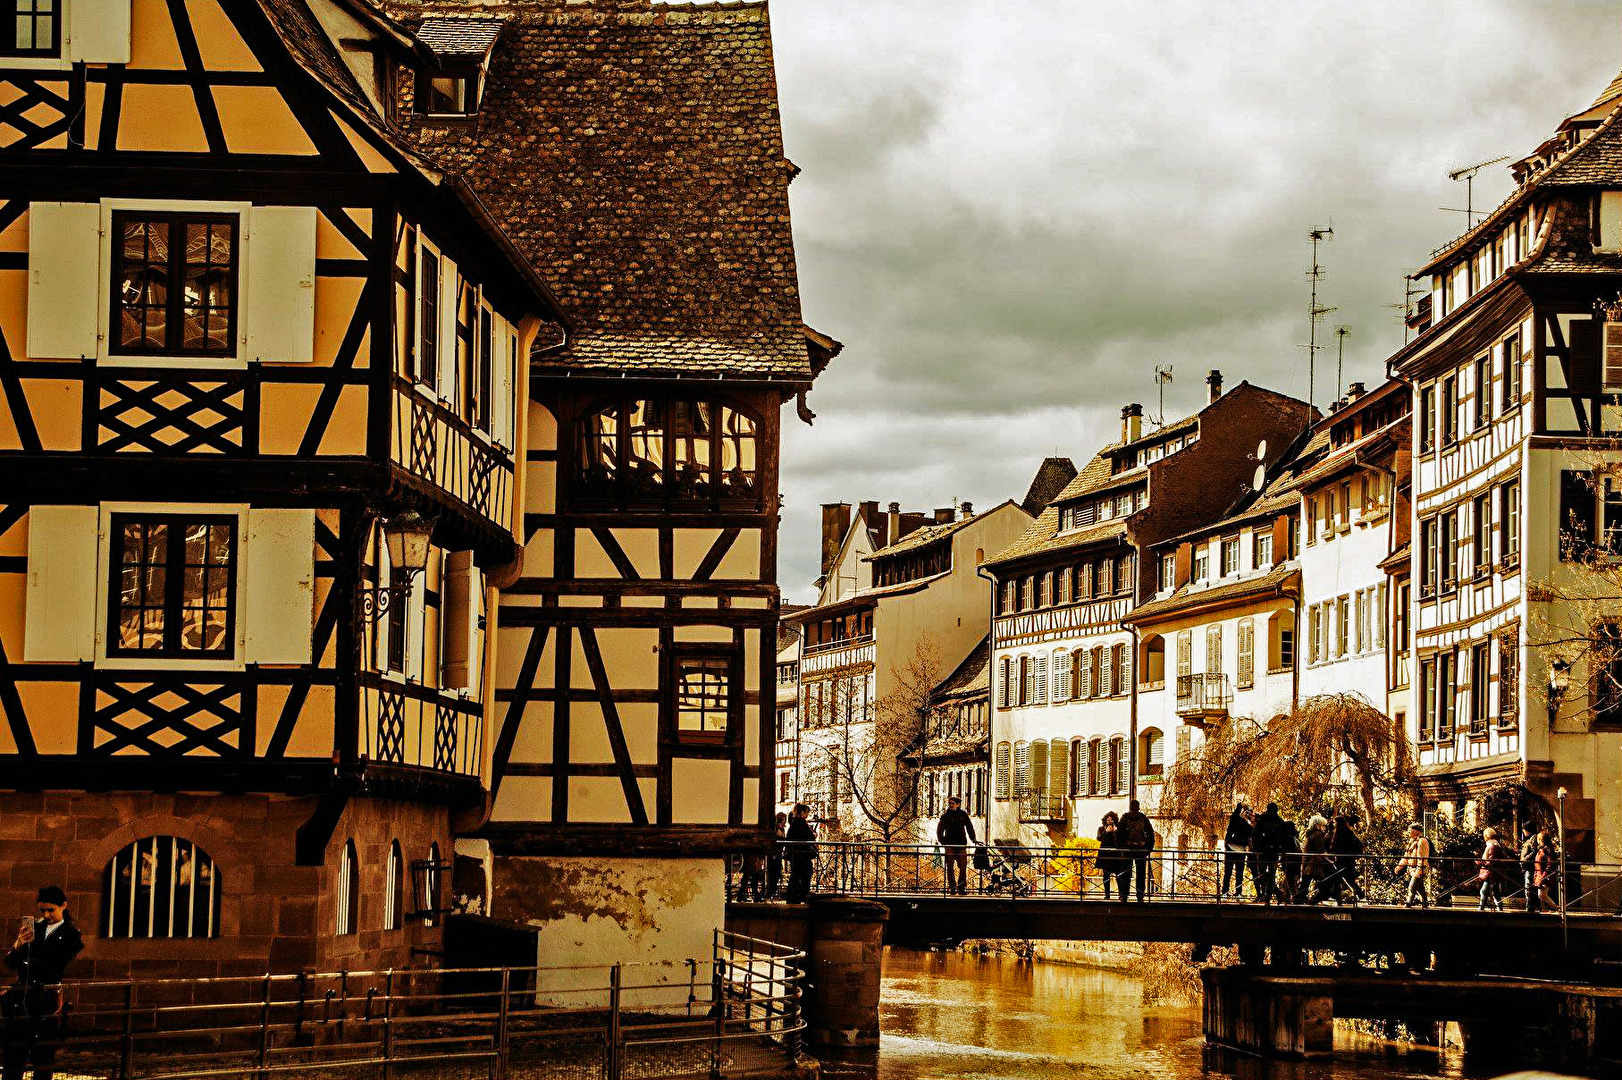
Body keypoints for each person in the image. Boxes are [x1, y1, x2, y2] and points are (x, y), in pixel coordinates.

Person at [3, 886, 83, 1080]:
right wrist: (19, 944)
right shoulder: (34, 929)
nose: (46, 915)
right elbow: (10, 963)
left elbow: (56, 963)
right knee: (14, 1053)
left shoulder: (71, 933)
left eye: (51, 910)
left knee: (43, 1055)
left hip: (46, 998)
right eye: (42, 910)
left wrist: (31, 957)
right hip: (22, 997)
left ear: (63, 906)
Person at [937, 796, 978, 895]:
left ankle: (961, 887)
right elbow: (940, 830)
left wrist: (973, 838)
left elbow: (969, 827)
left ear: (958, 804)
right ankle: (952, 887)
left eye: (953, 803)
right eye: (950, 803)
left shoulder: (963, 815)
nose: (951, 805)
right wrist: (942, 841)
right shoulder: (945, 816)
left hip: (961, 844)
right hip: (949, 844)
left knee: (963, 866)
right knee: (950, 867)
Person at [1117, 799, 1154, 902]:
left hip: (1127, 850)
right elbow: (1151, 834)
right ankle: (1140, 895)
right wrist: (1148, 848)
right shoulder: (1143, 818)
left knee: (1125, 873)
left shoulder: (1124, 818)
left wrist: (1122, 846)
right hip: (1141, 850)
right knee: (1141, 874)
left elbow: (1119, 835)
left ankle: (1124, 895)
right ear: (1138, 807)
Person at [1250, 803, 1285, 904]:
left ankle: (1271, 895)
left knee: (1261, 874)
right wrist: (1280, 848)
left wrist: (1257, 848)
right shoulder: (1279, 820)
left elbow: (1255, 835)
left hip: (1263, 852)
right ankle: (1271, 896)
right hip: (1274, 853)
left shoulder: (1262, 820)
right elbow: (1284, 836)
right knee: (1271, 875)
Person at [1327, 815, 1365, 904]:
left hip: (1342, 859)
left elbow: (1336, 846)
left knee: (1339, 877)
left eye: (1335, 822)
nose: (1334, 824)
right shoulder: (1348, 832)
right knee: (1347, 878)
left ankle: (1338, 897)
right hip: (1348, 859)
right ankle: (1359, 893)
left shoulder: (1341, 833)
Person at [784, 803, 818, 903]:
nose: (807, 815)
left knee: (795, 875)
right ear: (802, 813)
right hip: (802, 853)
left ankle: (793, 897)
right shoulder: (800, 823)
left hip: (796, 853)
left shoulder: (793, 823)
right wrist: (813, 835)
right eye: (807, 813)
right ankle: (802, 895)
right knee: (804, 874)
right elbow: (808, 836)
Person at [1397, 822, 1432, 908]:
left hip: (1419, 869)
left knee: (1412, 887)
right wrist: (1400, 865)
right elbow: (1406, 856)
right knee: (1420, 888)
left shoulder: (1422, 841)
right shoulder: (1412, 841)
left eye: (1410, 831)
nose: (1409, 833)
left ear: (1417, 831)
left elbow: (1423, 857)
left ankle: (1408, 903)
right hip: (1412, 868)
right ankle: (1425, 903)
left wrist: (1419, 871)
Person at [1298, 815, 1331, 904]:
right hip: (1314, 862)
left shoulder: (1310, 834)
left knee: (1306, 882)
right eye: (1323, 825)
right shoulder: (1318, 834)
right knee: (1323, 884)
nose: (1325, 828)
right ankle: (1309, 899)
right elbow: (1319, 849)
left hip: (1309, 861)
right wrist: (1327, 856)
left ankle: (1300, 898)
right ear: (1318, 825)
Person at [1221, 802, 1252, 897]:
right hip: (1231, 848)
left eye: (1249, 813)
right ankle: (1225, 892)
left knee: (1239, 873)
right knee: (1228, 872)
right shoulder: (1235, 819)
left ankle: (1238, 892)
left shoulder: (1248, 825)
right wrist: (1241, 805)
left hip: (1241, 851)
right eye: (1246, 812)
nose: (1247, 815)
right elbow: (1235, 813)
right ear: (1242, 812)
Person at [1096, 812, 1127, 900]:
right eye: (1108, 820)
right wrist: (1106, 832)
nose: (1110, 821)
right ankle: (1107, 894)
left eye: (1111, 820)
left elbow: (1121, 840)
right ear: (1105, 820)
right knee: (1106, 875)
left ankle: (1121, 894)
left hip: (1115, 854)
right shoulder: (1101, 829)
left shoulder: (1118, 829)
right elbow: (1099, 838)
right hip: (1105, 854)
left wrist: (1115, 832)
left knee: (1119, 874)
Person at [1477, 826, 1506, 911]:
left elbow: (1490, 861)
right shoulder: (1496, 844)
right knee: (1495, 891)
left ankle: (1481, 908)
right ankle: (1499, 908)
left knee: (1483, 891)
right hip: (1494, 872)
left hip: (1491, 873)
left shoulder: (1492, 846)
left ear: (1487, 836)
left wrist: (1479, 862)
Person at [1532, 829, 1557, 913]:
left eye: (1539, 839)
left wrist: (1543, 876)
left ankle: (1556, 907)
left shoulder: (1547, 850)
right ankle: (1544, 910)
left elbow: (1549, 865)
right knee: (1541, 894)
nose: (1538, 841)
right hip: (1540, 875)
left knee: (1542, 894)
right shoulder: (1542, 850)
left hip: (1544, 876)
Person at [1278, 818, 1302, 904]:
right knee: (1291, 881)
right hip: (1295, 862)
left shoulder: (1287, 838)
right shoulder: (1294, 837)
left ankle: (1291, 898)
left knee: (1290, 880)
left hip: (1289, 862)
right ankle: (1292, 897)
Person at [1518, 825, 1540, 912]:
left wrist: (1525, 859)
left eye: (1524, 830)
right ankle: (1532, 907)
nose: (1523, 832)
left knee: (1529, 887)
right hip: (1528, 866)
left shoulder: (1533, 839)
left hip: (1530, 867)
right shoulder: (1531, 839)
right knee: (1529, 887)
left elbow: (1534, 851)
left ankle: (1530, 907)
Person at [766, 812, 787, 899]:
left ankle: (771, 892)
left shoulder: (781, 829)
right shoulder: (776, 829)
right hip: (774, 854)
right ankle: (770, 892)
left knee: (777, 873)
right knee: (773, 874)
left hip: (778, 853)